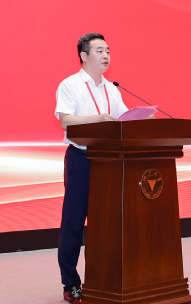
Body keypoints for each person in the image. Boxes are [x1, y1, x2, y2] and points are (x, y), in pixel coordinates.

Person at [54, 33, 128, 303]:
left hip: (109, 161)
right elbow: (66, 120)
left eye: (108, 50)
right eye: (99, 51)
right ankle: (71, 283)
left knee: (107, 222)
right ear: (84, 56)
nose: (106, 55)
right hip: (81, 159)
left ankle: (104, 280)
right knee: (74, 223)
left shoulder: (112, 88)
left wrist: (142, 118)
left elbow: (123, 117)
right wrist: (98, 119)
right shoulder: (70, 85)